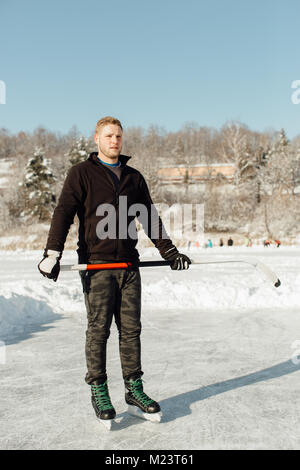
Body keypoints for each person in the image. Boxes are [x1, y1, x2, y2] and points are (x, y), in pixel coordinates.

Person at [37, 116, 191, 425]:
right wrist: (52, 253)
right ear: (96, 139)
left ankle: (134, 389)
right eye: (108, 135)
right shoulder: (81, 174)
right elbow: (64, 212)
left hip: (129, 266)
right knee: (99, 330)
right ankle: (98, 388)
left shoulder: (133, 177)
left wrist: (170, 252)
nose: (114, 141)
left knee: (131, 330)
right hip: (97, 266)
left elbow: (149, 218)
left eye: (118, 136)